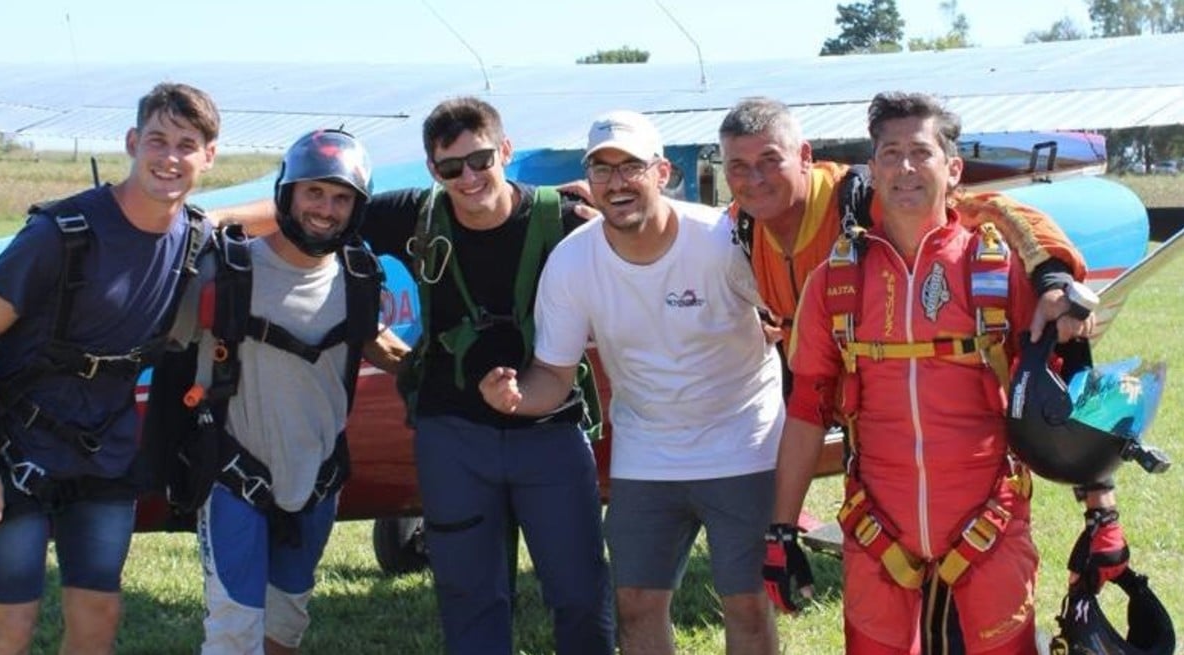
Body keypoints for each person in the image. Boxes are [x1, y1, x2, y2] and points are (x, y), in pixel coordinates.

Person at [212, 96, 615, 655]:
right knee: (469, 595)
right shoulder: (416, 213)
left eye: (480, 161)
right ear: (433, 170)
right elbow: (322, 216)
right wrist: (197, 222)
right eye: (451, 168)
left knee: (579, 591)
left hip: (549, 427)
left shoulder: (569, 220)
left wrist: (609, 197)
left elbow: (648, 234)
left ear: (505, 150)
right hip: (453, 432)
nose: (468, 178)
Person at [768, 91, 1126, 654]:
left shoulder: (1001, 268)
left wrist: (1102, 513)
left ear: (953, 168)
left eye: (920, 152)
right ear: (872, 167)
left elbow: (1071, 391)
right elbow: (806, 409)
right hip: (876, 532)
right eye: (889, 153)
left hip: (990, 527)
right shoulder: (835, 285)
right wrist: (781, 530)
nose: (904, 168)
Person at [479, 110, 784, 655]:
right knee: (637, 604)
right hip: (647, 450)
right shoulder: (573, 260)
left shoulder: (722, 239)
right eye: (601, 169)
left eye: (631, 167)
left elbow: (784, 313)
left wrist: (780, 328)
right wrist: (516, 398)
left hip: (744, 443)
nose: (616, 183)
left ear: (662, 172)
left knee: (747, 604)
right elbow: (552, 372)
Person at [0, 82, 220, 655]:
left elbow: (277, 216)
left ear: (208, 156)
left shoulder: (196, 237)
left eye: (187, 144)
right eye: (157, 140)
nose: (170, 157)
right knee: (11, 624)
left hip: (105, 454)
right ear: (131, 142)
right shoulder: (60, 234)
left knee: (98, 617)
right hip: (17, 450)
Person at [155, 129, 408, 654]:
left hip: (317, 478)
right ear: (286, 194)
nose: (325, 209)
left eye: (341, 198)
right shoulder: (224, 269)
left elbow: (382, 347)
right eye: (313, 192)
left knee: (287, 624)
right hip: (234, 476)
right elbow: (153, 333)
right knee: (234, 630)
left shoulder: (358, 278)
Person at [717, 96, 1090, 400]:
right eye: (739, 166)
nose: (756, 180)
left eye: (770, 160)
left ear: (803, 156)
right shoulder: (739, 225)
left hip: (912, 393)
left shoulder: (860, 201)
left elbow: (990, 209)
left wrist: (1052, 279)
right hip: (828, 398)